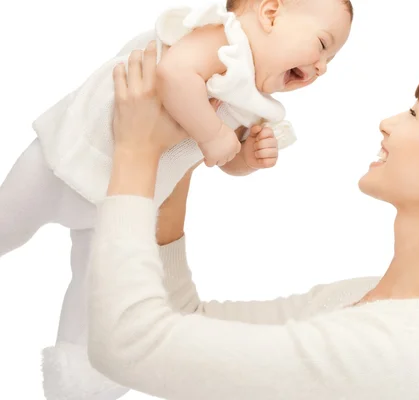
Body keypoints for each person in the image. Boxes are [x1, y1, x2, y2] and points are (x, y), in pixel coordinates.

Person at [88, 44, 419, 399]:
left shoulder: (399, 348)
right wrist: (187, 147)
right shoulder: (364, 302)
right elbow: (183, 321)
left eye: (416, 114)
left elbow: (127, 345)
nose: (388, 122)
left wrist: (136, 153)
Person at [0, 0, 352, 398]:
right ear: (270, 13)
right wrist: (211, 133)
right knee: (7, 223)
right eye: (323, 44)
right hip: (62, 162)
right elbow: (173, 74)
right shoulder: (222, 39)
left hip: (118, 204)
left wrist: (246, 158)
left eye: (332, 60)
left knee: (94, 298)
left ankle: (77, 384)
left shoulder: (253, 102)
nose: (323, 66)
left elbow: (221, 159)